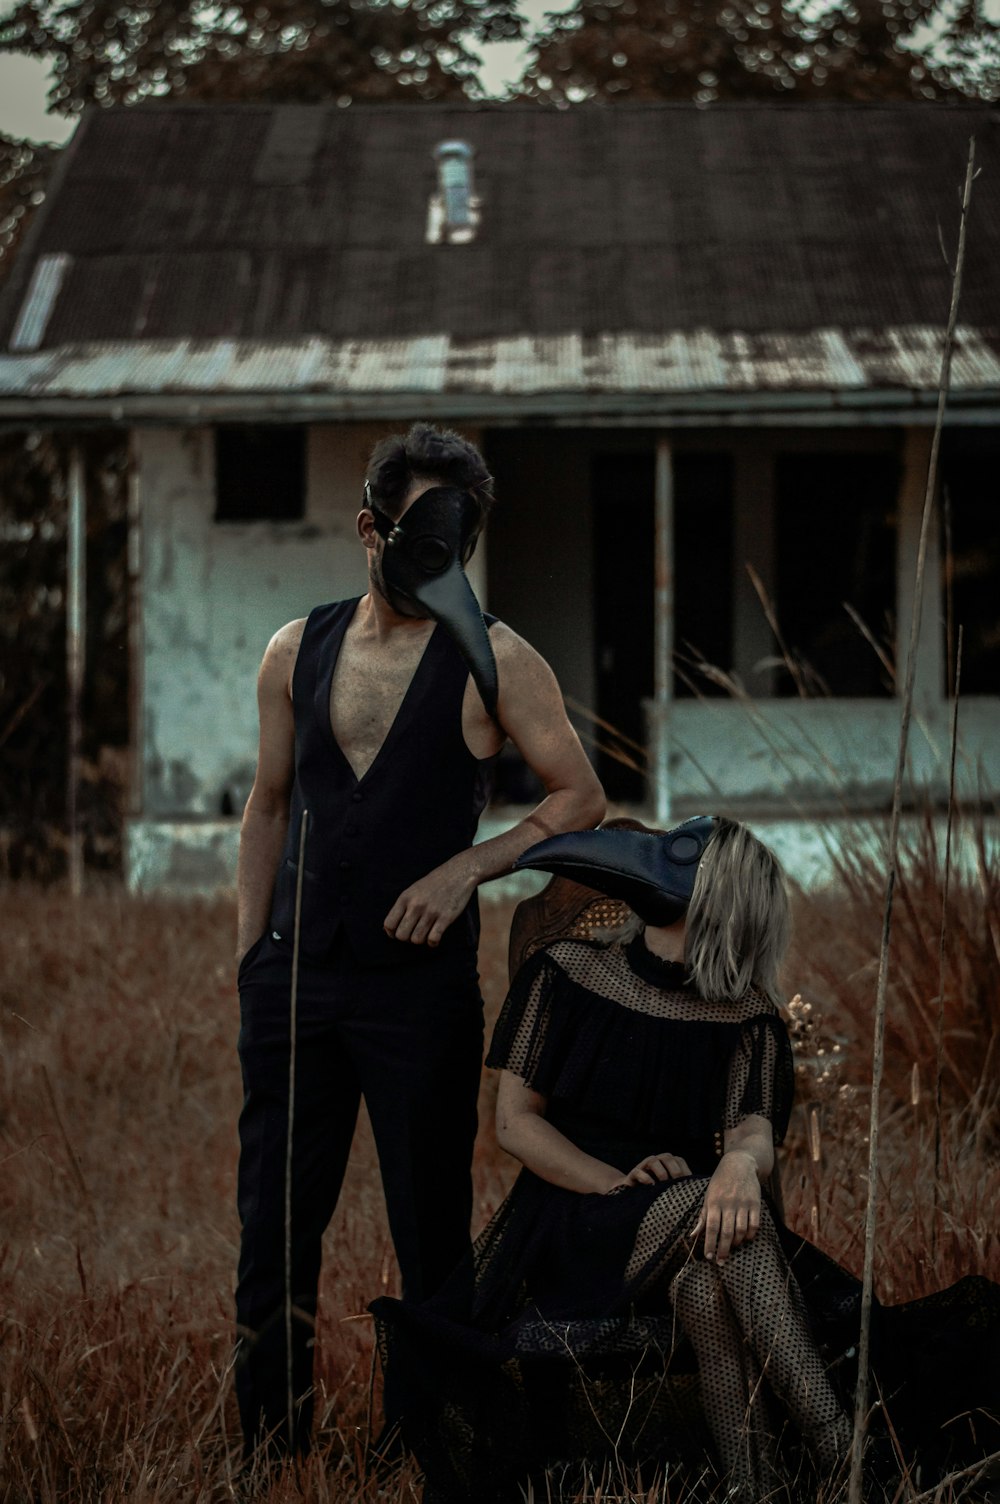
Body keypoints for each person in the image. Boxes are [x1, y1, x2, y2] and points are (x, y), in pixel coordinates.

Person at [371, 816, 1000, 1504]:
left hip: (699, 1228)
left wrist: (736, 1168)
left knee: (703, 1288)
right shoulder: (566, 971)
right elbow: (515, 1125)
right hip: (575, 1221)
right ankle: (854, 1462)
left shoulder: (747, 1014)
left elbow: (753, 1129)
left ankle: (753, 1484)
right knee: (722, 1228)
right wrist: (616, 1183)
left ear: (720, 893)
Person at [233, 422, 606, 1462]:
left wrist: (468, 865)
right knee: (272, 1233)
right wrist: (252, 961)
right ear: (370, 528)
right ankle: (272, 1454)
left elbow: (581, 797)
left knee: (431, 1234)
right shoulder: (290, 649)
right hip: (295, 984)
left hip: (420, 999)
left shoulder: (498, 658)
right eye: (417, 538)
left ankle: (433, 1451)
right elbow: (265, 806)